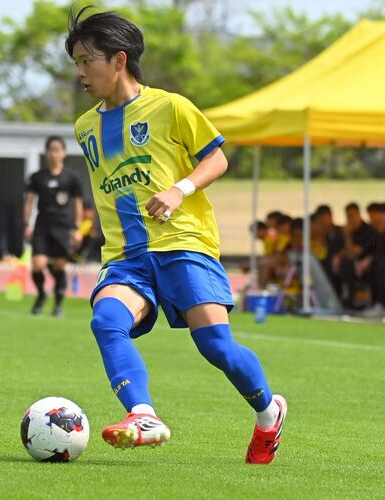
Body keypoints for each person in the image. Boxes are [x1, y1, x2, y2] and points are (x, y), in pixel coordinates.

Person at [66, 7, 286, 464]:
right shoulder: (85, 127)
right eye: (76, 63)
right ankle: (144, 415)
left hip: (183, 243)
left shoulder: (171, 106)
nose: (80, 73)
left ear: (119, 60)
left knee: (216, 347)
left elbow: (217, 158)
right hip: (126, 256)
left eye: (87, 61)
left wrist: (178, 189)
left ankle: (269, 413)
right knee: (106, 322)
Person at [23, 136, 83, 317]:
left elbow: (78, 204)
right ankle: (41, 294)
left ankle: (57, 304)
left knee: (59, 265)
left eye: (58, 150)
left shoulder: (72, 178)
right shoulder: (37, 177)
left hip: (63, 226)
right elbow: (29, 201)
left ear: (64, 153)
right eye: (51, 150)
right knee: (38, 264)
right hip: (42, 225)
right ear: (46, 152)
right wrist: (26, 225)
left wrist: (78, 229)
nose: (54, 153)